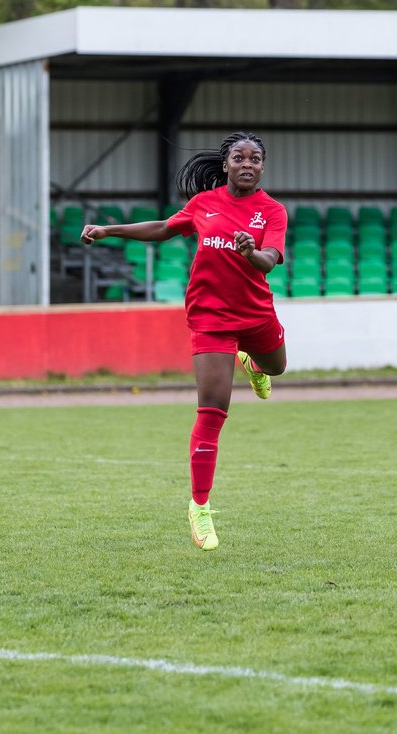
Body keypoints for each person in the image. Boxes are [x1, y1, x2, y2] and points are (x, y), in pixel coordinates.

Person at [81, 131, 286, 552]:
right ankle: (200, 507)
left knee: (278, 366)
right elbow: (162, 228)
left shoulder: (272, 212)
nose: (247, 164)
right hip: (211, 315)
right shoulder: (204, 204)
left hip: (256, 312)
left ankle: (252, 362)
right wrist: (109, 230)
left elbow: (269, 261)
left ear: (263, 167)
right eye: (239, 157)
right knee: (213, 411)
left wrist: (251, 253)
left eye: (255, 159)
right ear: (226, 164)